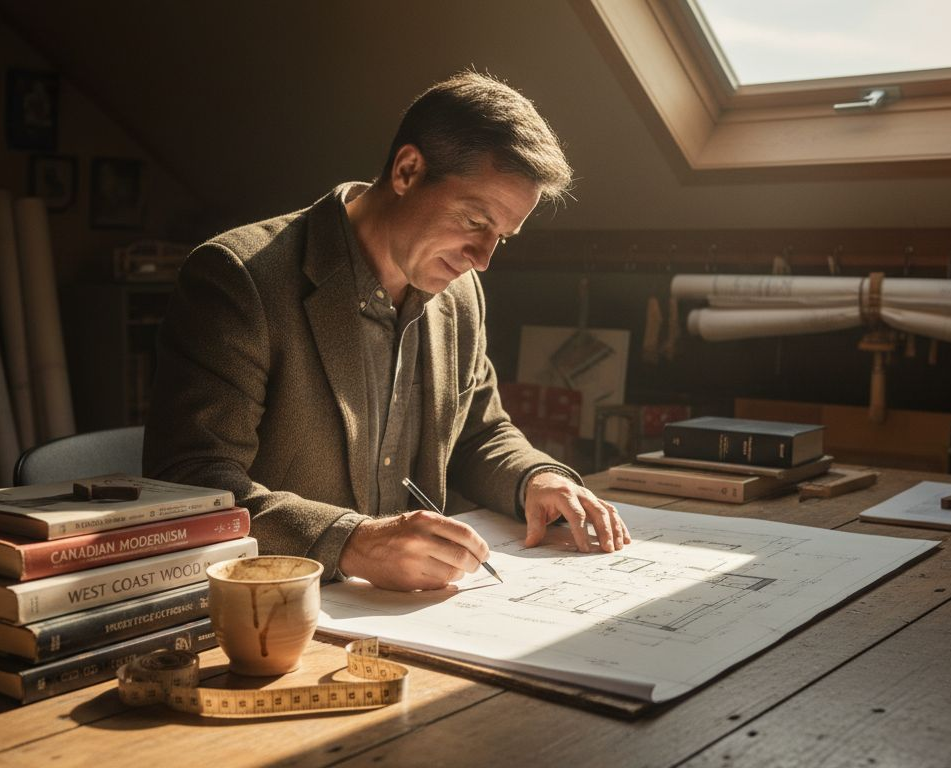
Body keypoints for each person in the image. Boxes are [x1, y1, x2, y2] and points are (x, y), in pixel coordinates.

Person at [144, 71, 629, 592]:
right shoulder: (240, 278)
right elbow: (193, 482)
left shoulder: (460, 293)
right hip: (271, 609)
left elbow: (479, 432)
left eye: (502, 238)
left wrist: (537, 477)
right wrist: (351, 542)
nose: (483, 260)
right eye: (474, 221)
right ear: (407, 170)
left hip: (403, 615)